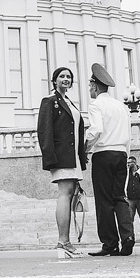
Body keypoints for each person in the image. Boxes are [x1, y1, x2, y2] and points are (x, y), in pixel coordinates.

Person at [37, 66, 87, 259]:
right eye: (62, 76)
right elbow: (44, 130)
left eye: (68, 77)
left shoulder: (69, 102)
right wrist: (50, 157)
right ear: (54, 80)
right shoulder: (50, 101)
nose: (65, 79)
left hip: (73, 156)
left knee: (68, 194)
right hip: (61, 156)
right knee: (64, 194)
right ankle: (63, 241)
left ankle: (65, 241)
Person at [85, 63, 134, 257]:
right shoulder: (121, 106)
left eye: (90, 86)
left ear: (95, 86)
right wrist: (127, 154)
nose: (89, 89)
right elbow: (128, 135)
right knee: (119, 197)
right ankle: (128, 236)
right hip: (121, 153)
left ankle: (110, 243)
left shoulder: (96, 105)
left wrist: (85, 149)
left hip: (103, 154)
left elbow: (95, 130)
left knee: (104, 201)